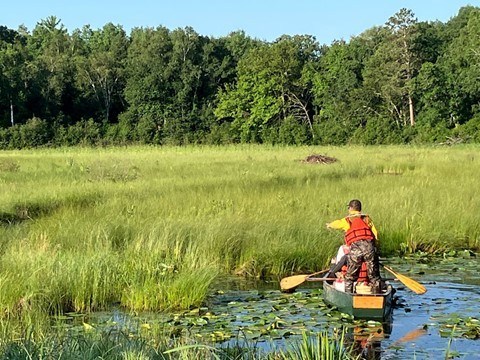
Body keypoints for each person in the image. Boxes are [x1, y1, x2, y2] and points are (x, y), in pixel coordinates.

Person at [326, 199, 381, 293]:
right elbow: (375, 234)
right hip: (369, 248)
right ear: (360, 209)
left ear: (350, 208)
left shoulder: (347, 220)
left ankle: (349, 296)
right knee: (374, 277)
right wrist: (375, 249)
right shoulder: (367, 219)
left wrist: (329, 225)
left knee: (350, 278)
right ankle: (377, 296)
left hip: (356, 249)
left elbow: (337, 223)